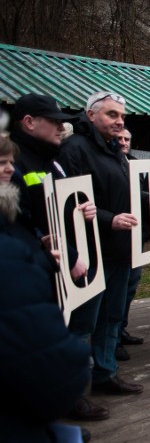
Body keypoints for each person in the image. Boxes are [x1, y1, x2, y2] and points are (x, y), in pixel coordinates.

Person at [9, 93, 107, 421]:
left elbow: (65, 205)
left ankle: (69, 402)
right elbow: (17, 222)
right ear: (29, 122)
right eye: (53, 120)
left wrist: (84, 210)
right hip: (35, 271)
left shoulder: (52, 160)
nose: (61, 126)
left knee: (68, 334)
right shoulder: (15, 163)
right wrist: (49, 248)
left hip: (65, 264)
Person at [0, 135, 95, 443]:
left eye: (11, 162)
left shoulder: (15, 227)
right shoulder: (9, 253)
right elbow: (54, 373)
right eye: (1, 163)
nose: (9, 170)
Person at [58, 91, 146, 398]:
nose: (119, 121)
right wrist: (110, 220)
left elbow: (126, 192)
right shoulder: (75, 149)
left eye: (121, 116)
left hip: (120, 249)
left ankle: (105, 373)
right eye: (112, 115)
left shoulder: (115, 151)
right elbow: (71, 202)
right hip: (90, 252)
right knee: (83, 323)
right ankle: (74, 388)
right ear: (91, 114)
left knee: (112, 316)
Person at [115, 128, 144, 363]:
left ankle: (121, 329)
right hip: (114, 238)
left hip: (136, 236)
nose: (123, 142)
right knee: (114, 291)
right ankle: (111, 340)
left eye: (127, 139)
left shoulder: (134, 165)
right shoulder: (107, 164)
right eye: (120, 139)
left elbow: (144, 196)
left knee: (131, 286)